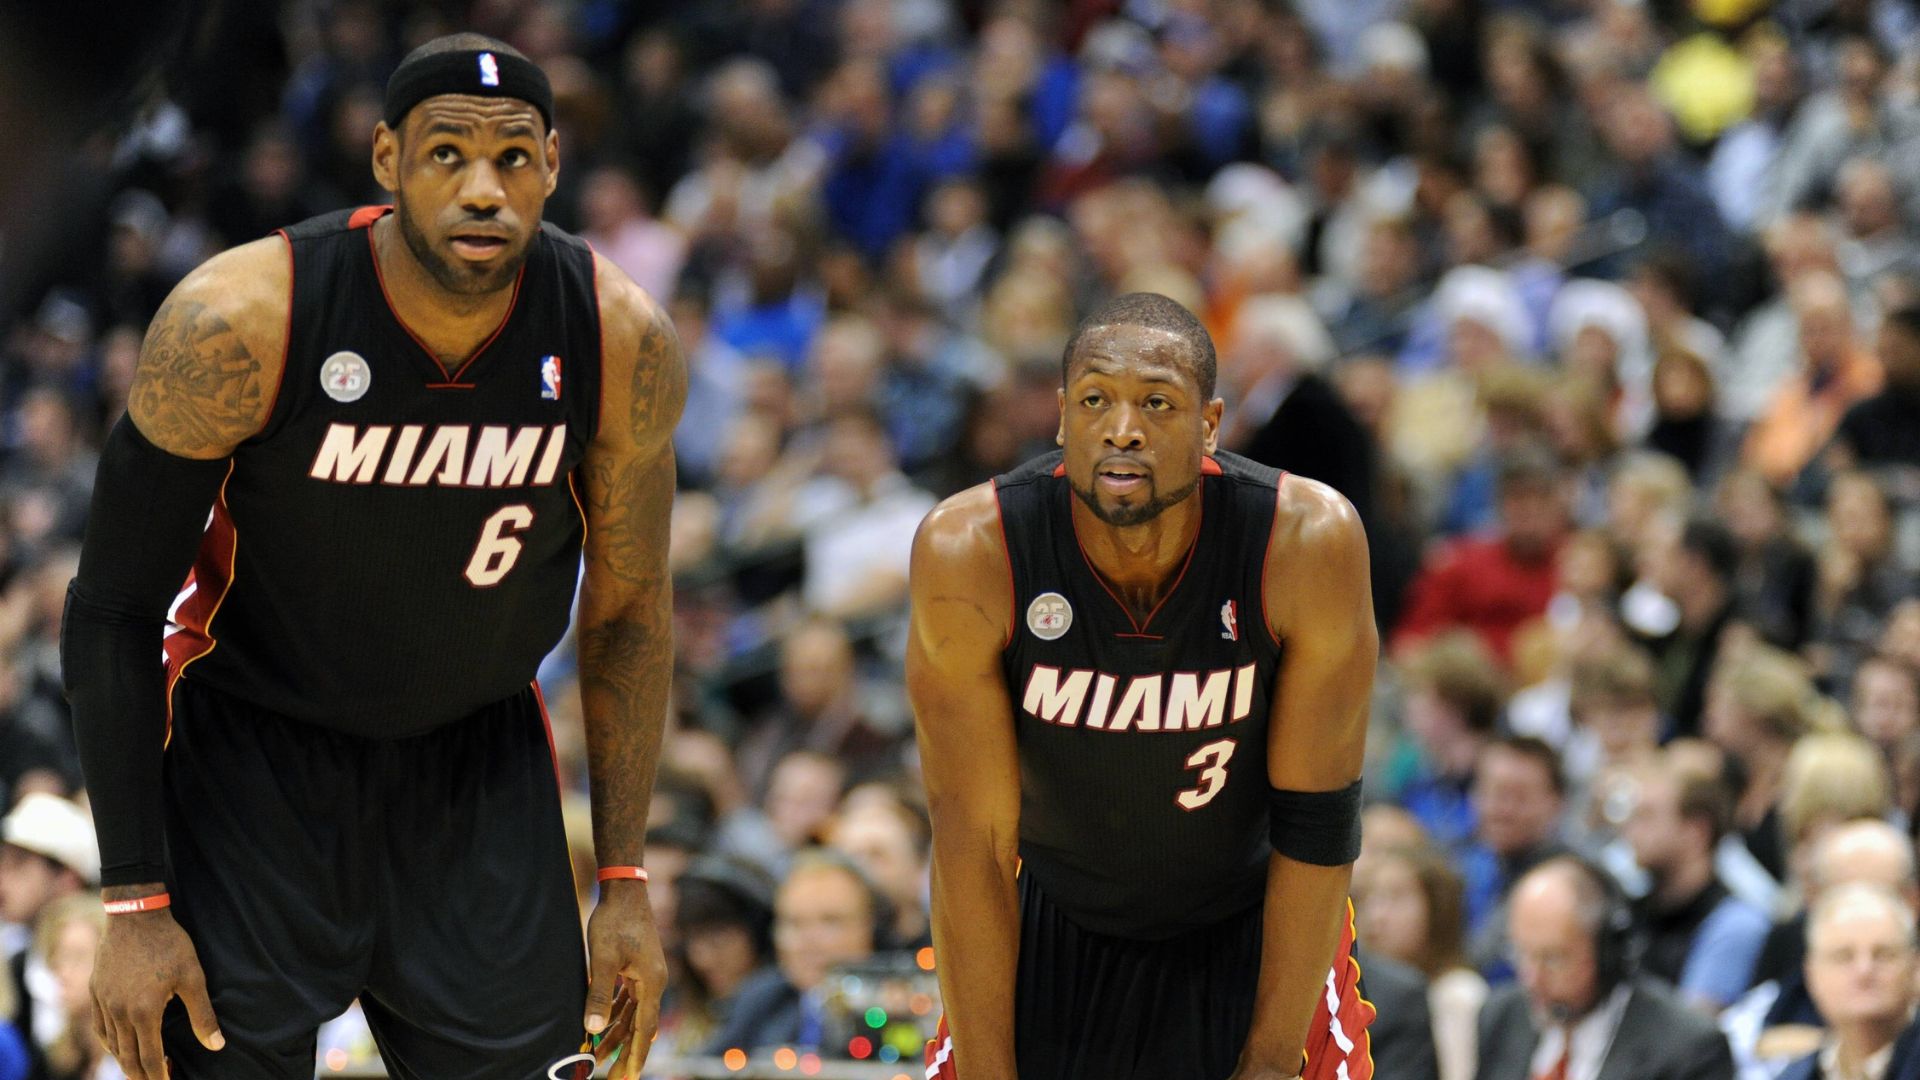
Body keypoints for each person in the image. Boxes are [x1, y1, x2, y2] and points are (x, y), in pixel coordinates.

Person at [59, 34, 685, 1080]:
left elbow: (627, 616)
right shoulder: (244, 317)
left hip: (475, 771)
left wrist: (623, 876)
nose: (485, 190)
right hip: (251, 762)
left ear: (554, 169)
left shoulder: (619, 338)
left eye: (515, 159)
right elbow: (112, 607)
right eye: (449, 155)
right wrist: (132, 899)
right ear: (387, 159)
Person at [908, 293, 1376, 1079]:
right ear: (1061, 419)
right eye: (1096, 400)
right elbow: (973, 843)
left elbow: (1317, 821)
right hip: (1053, 916)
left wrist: (1267, 1061)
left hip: (1256, 920)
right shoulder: (973, 550)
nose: (1122, 427)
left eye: (1156, 403)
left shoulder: (1304, 541)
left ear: (1209, 424)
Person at [1475, 856, 1736, 1080]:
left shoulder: (1688, 1048)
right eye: (1521, 954)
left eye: (1553, 959)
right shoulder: (1501, 1016)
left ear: (1607, 952)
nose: (1531, 979)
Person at [1620, 757, 1769, 1011]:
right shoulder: (1628, 912)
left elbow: (1691, 1035)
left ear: (1696, 830)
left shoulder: (1735, 923)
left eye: (1647, 817)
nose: (1629, 830)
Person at [1783, 883, 1920, 1080]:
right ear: (1811, 974)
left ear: (1914, 966)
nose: (1864, 971)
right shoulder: (1793, 1075)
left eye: (1884, 955)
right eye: (1843, 956)